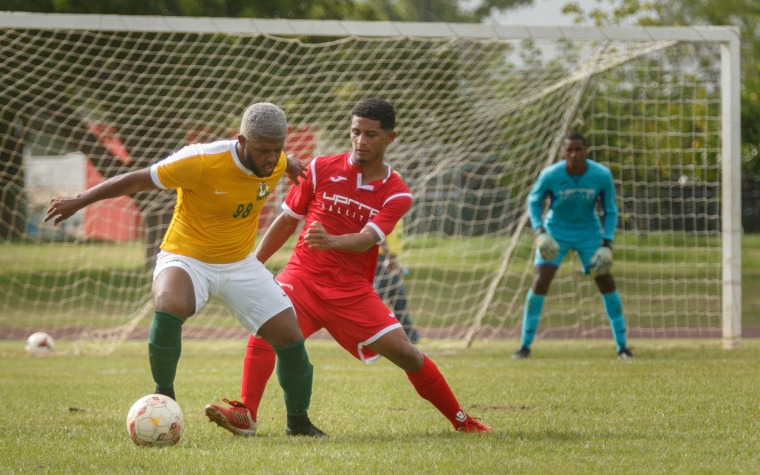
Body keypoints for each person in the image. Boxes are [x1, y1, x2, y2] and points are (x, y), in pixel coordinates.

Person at [204, 98, 492, 435]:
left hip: (352, 291)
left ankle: (463, 422)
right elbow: (286, 222)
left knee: (408, 354)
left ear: (390, 138)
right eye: (356, 132)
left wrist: (332, 241)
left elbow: (369, 238)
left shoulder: (398, 193)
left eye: (371, 134)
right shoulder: (319, 168)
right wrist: (251, 264)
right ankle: (246, 415)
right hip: (303, 278)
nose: (360, 141)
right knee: (265, 328)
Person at [44, 102, 325, 437]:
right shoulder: (200, 160)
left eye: (277, 150)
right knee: (169, 304)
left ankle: (299, 422)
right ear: (242, 141)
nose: (271, 158)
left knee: (290, 337)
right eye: (264, 150)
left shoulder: (276, 161)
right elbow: (134, 179)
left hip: (239, 263)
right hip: (186, 256)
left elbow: (284, 161)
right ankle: (163, 395)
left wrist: (289, 163)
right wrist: (80, 200)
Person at [512, 132, 633, 360]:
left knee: (605, 279)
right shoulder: (551, 174)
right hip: (556, 231)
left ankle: (623, 346)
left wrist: (607, 243)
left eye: (579, 149)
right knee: (541, 280)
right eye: (570, 150)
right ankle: (524, 346)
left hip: (589, 232)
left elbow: (611, 209)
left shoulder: (601, 175)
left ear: (586, 151)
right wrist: (540, 232)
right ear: (563, 152)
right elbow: (533, 201)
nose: (574, 154)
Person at [374, 218, 423, 343]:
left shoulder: (399, 212)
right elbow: (378, 233)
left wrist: (394, 261)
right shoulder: (387, 208)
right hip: (381, 259)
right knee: (376, 300)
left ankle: (411, 336)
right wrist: (389, 257)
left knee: (399, 298)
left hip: (389, 259)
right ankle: (364, 332)